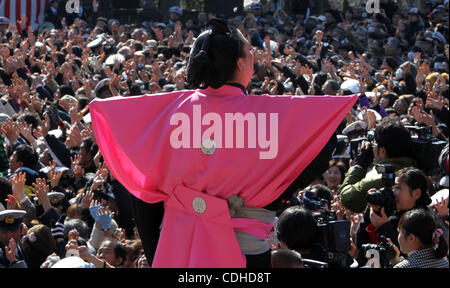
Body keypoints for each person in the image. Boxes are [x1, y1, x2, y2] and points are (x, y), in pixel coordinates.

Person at [89, 19, 357, 268]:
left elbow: (146, 190)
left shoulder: (168, 110)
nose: (254, 55)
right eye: (250, 50)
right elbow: (324, 142)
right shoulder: (270, 114)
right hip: (248, 255)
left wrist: (156, 252)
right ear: (240, 64)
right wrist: (272, 192)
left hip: (178, 249)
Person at [340, 117, 418, 214]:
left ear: (382, 151)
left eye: (375, 143)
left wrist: (359, 166)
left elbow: (346, 198)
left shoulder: (381, 179)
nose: (373, 147)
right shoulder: (416, 170)